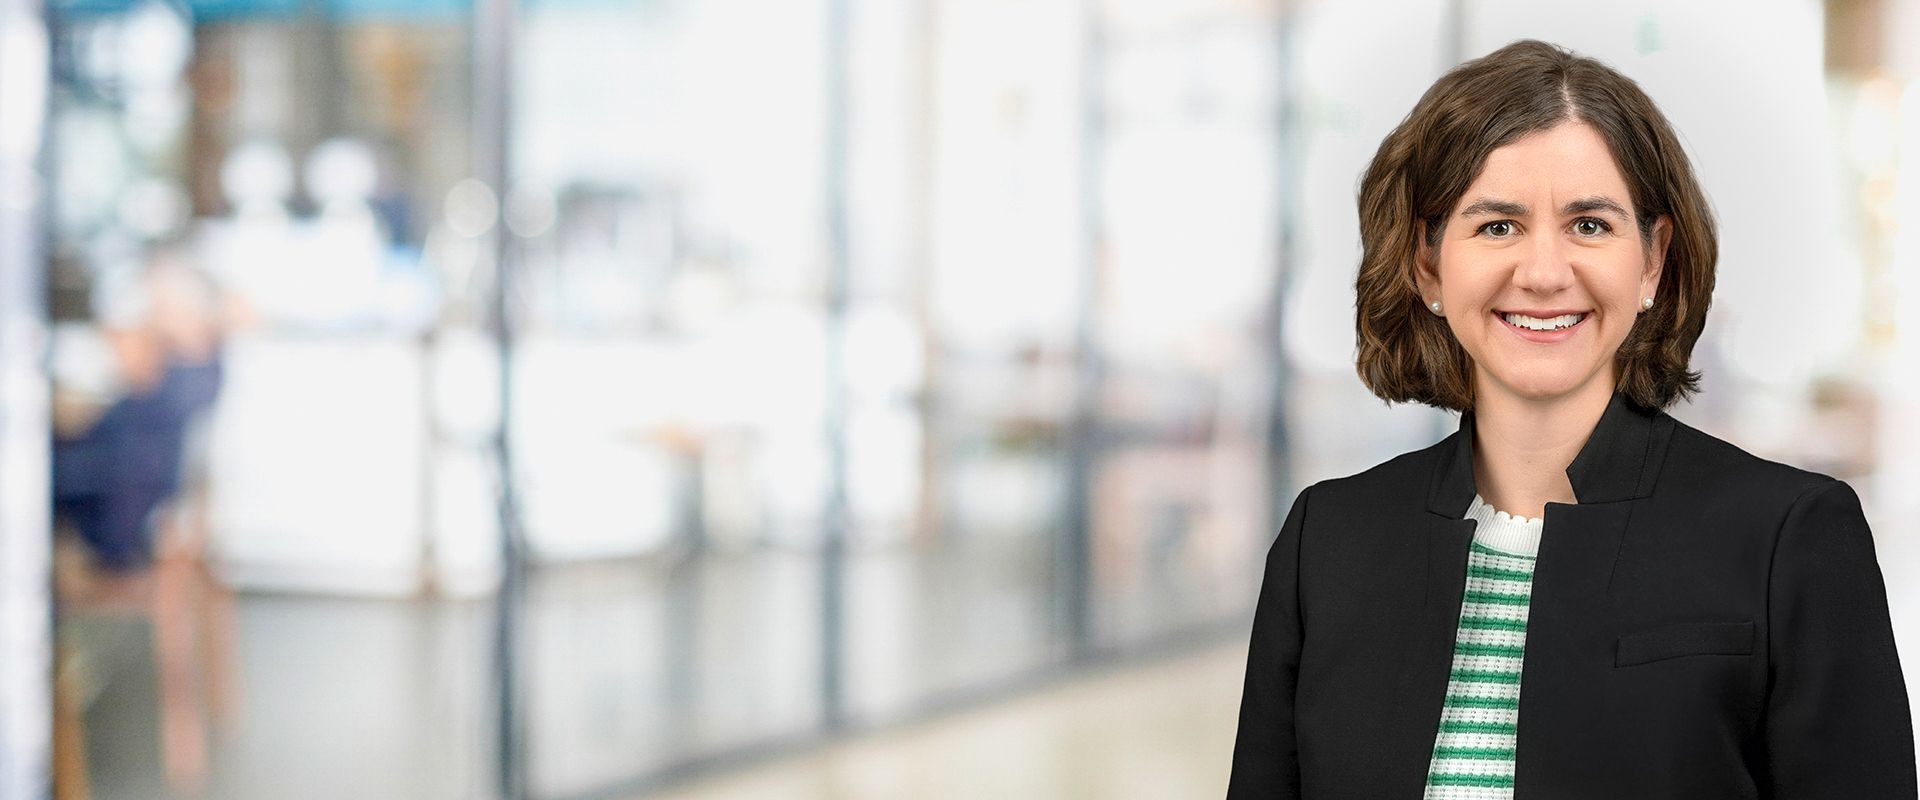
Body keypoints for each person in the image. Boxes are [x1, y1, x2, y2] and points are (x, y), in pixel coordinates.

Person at [1227, 39, 1915, 797]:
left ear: (1651, 261)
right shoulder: (1326, 543)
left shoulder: (1791, 537)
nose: (1546, 273)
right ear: (1428, 264)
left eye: (1590, 224)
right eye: (1497, 226)